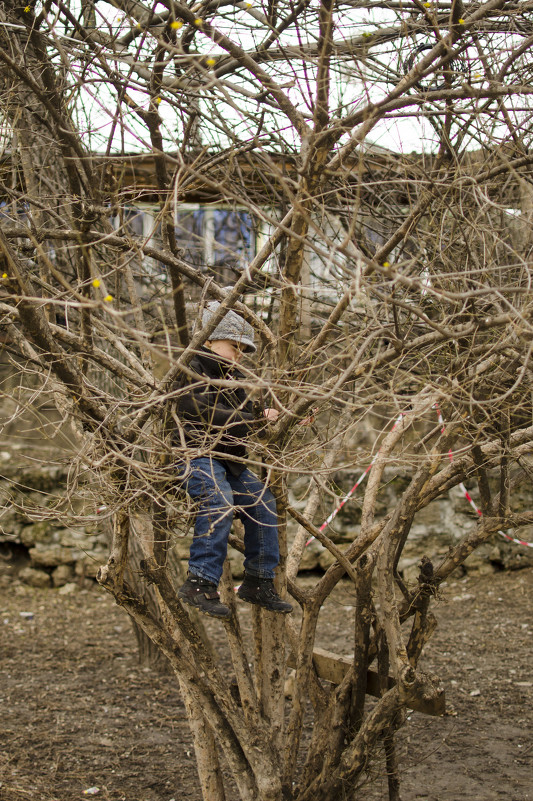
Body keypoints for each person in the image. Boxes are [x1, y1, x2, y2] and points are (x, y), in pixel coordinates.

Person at [174, 301, 293, 619]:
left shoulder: (233, 378)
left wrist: (275, 416)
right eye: (234, 346)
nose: (239, 354)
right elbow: (200, 412)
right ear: (209, 340)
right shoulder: (188, 369)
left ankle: (258, 580)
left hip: (228, 460)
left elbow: (243, 416)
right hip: (195, 455)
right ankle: (200, 581)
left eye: (243, 349)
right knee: (218, 499)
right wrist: (254, 419)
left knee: (264, 502)